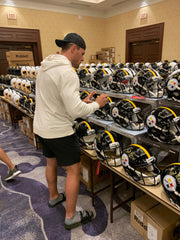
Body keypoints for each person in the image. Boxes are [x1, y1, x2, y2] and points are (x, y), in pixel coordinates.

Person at [33, 33, 108, 230]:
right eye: (82, 54)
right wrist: (97, 105)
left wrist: (80, 102)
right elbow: (76, 112)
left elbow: (56, 100)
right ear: (73, 48)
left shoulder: (45, 67)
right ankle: (71, 216)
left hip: (42, 127)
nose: (83, 59)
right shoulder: (67, 72)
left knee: (51, 163)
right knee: (73, 171)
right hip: (59, 131)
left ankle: (54, 197)